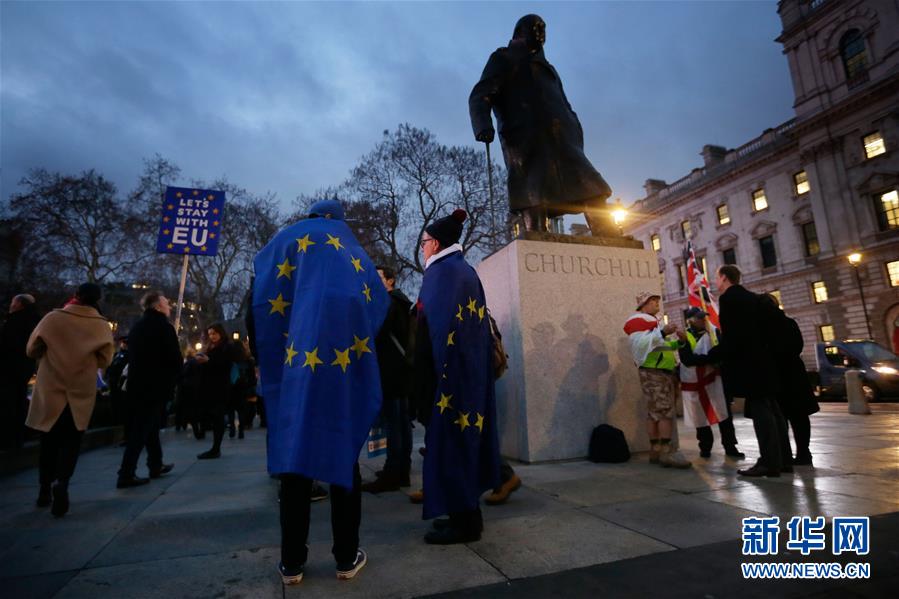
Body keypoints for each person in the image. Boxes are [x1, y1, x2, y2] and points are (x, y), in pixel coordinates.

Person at [253, 199, 389, 584]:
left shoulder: (282, 242)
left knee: (294, 462)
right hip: (340, 369)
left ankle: (291, 563)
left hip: (293, 370)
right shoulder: (348, 247)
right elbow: (376, 302)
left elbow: (258, 304)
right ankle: (346, 557)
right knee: (343, 457)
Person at [469, 14, 613, 234]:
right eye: (535, 28)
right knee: (533, 191)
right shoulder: (503, 58)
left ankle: (606, 230)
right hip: (525, 138)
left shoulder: (549, 68)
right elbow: (481, 94)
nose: (540, 33)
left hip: (562, 138)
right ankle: (535, 234)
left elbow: (563, 101)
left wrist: (574, 126)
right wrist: (483, 125)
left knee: (588, 182)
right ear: (520, 32)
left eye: (543, 29)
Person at [413, 209, 501, 545]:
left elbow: (432, 332)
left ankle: (465, 522)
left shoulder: (443, 274)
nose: (422, 248)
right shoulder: (461, 271)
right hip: (464, 373)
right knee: (457, 444)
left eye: (424, 243)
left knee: (453, 445)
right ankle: (459, 514)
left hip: (449, 377)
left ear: (434, 243)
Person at [25, 283, 115, 516]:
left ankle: (44, 489)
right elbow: (105, 359)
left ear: (76, 295)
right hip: (79, 391)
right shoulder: (101, 325)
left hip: (52, 388)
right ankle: (62, 482)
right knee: (72, 443)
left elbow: (32, 348)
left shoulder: (53, 318)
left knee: (49, 442)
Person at [702, 266, 791, 478]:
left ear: (724, 277)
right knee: (774, 410)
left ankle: (769, 462)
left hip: (750, 364)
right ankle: (783, 459)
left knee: (762, 411)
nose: (715, 281)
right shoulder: (754, 298)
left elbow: (733, 336)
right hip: (767, 361)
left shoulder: (729, 299)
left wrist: (711, 355)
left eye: (716, 277)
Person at [117, 291, 181, 488]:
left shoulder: (137, 327)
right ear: (157, 307)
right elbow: (174, 359)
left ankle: (155, 463)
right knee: (140, 431)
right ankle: (126, 473)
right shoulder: (163, 328)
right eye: (166, 303)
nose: (169, 307)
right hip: (155, 386)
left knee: (150, 427)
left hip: (138, 386)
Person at [361, 265, 414, 494]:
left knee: (395, 423)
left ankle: (394, 472)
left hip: (392, 370)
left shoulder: (389, 303)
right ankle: (401, 470)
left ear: (390, 281)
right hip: (400, 370)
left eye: (379, 277)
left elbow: (377, 331)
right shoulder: (400, 301)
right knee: (401, 422)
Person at [623, 292, 691, 469]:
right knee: (664, 412)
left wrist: (680, 343)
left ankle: (655, 450)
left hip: (661, 371)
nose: (656, 304)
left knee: (655, 413)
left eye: (657, 301)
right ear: (643, 305)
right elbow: (640, 345)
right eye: (652, 301)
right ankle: (666, 453)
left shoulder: (653, 323)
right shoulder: (638, 321)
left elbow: (661, 346)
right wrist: (661, 331)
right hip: (654, 372)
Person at [759, 294, 819, 466]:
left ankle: (783, 455)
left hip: (775, 375)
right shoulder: (789, 322)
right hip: (794, 373)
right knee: (799, 416)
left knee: (780, 417)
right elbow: (798, 346)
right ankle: (804, 452)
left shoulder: (762, 327)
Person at [677, 308, 743, 459]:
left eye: (704, 317)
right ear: (691, 320)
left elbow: (723, 352)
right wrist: (708, 359)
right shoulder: (684, 336)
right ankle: (705, 447)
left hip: (717, 379)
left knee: (724, 414)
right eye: (700, 318)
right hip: (697, 381)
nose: (703, 320)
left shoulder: (715, 332)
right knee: (700, 417)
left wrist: (710, 359)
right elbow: (687, 359)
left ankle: (730, 446)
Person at [0, 293, 42, 449]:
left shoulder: (14, 322)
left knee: (7, 403)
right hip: (25, 368)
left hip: (8, 368)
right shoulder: (36, 322)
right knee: (19, 401)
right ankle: (17, 437)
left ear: (19, 304)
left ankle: (7, 437)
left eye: (13, 302)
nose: (11, 305)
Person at [196, 323, 233, 459]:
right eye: (210, 334)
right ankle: (214, 447)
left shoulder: (226, 347)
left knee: (218, 417)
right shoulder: (209, 346)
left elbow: (224, 365)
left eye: (214, 333)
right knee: (211, 415)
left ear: (220, 333)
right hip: (208, 387)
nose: (212, 336)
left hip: (220, 387)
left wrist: (208, 361)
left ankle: (216, 448)